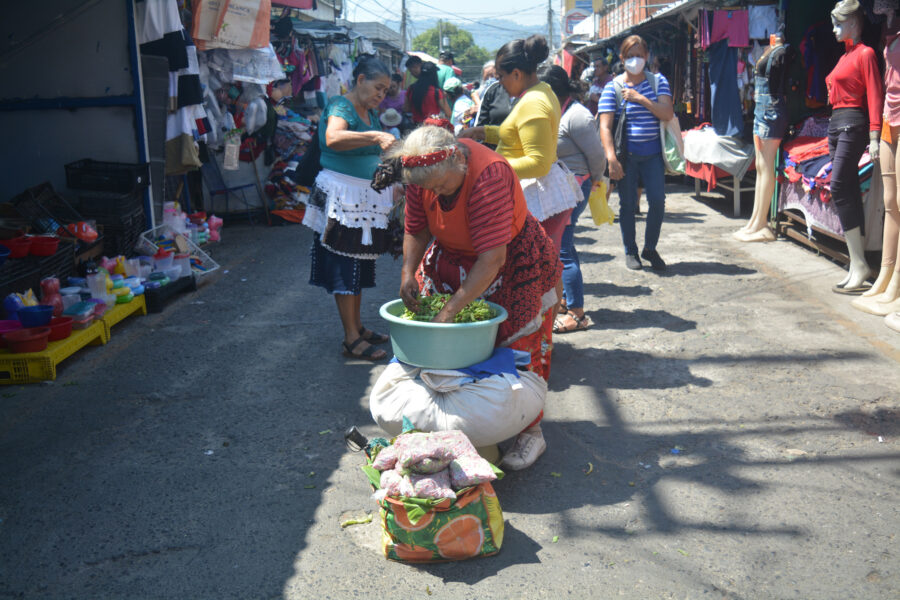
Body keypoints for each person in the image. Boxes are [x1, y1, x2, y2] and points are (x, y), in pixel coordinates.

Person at [377, 125, 562, 469]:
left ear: (458, 160)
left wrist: (449, 312)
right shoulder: (422, 172)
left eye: (442, 186)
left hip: (511, 261)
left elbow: (492, 259)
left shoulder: (489, 175)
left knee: (520, 348)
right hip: (453, 258)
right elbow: (416, 227)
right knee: (453, 351)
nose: (436, 193)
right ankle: (461, 424)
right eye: (429, 189)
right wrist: (407, 272)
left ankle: (530, 432)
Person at [301, 56, 397, 361]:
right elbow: (333, 137)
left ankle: (357, 326)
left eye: (385, 91)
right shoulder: (341, 105)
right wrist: (376, 136)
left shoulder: (371, 113)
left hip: (362, 200)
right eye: (378, 87)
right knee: (344, 264)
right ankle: (351, 338)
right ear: (360, 80)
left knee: (358, 265)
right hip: (342, 199)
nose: (381, 95)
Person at [459, 35, 581, 252]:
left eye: (501, 76)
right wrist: (481, 132)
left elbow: (538, 163)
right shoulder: (542, 90)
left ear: (516, 73)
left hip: (533, 194)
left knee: (526, 264)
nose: (500, 83)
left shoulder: (533, 102)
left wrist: (489, 168)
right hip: (533, 189)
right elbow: (516, 134)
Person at [598, 34, 674, 271]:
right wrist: (611, 158)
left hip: (653, 156)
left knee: (658, 202)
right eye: (630, 56)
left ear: (647, 56)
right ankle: (630, 251)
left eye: (639, 55)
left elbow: (667, 113)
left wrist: (640, 99)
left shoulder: (658, 82)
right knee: (628, 205)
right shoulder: (613, 87)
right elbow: (605, 126)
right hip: (627, 158)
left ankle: (650, 248)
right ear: (622, 58)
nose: (635, 60)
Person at [541, 65, 607, 333]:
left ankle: (577, 313)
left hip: (574, 187)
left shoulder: (577, 116)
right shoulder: (554, 110)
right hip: (559, 188)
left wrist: (597, 181)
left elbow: (597, 156)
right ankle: (567, 300)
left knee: (563, 249)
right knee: (562, 246)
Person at [826, 0, 882, 294]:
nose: (834, 30)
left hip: (852, 124)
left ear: (853, 23)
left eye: (838, 24)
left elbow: (874, 94)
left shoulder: (866, 54)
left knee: (838, 186)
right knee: (846, 189)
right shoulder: (846, 55)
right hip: (836, 124)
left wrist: (874, 134)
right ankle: (857, 264)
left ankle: (859, 263)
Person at [734, 31, 789, 243]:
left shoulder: (782, 52)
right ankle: (755, 220)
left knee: (765, 166)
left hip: (771, 110)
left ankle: (761, 222)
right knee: (760, 166)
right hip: (761, 109)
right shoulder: (770, 50)